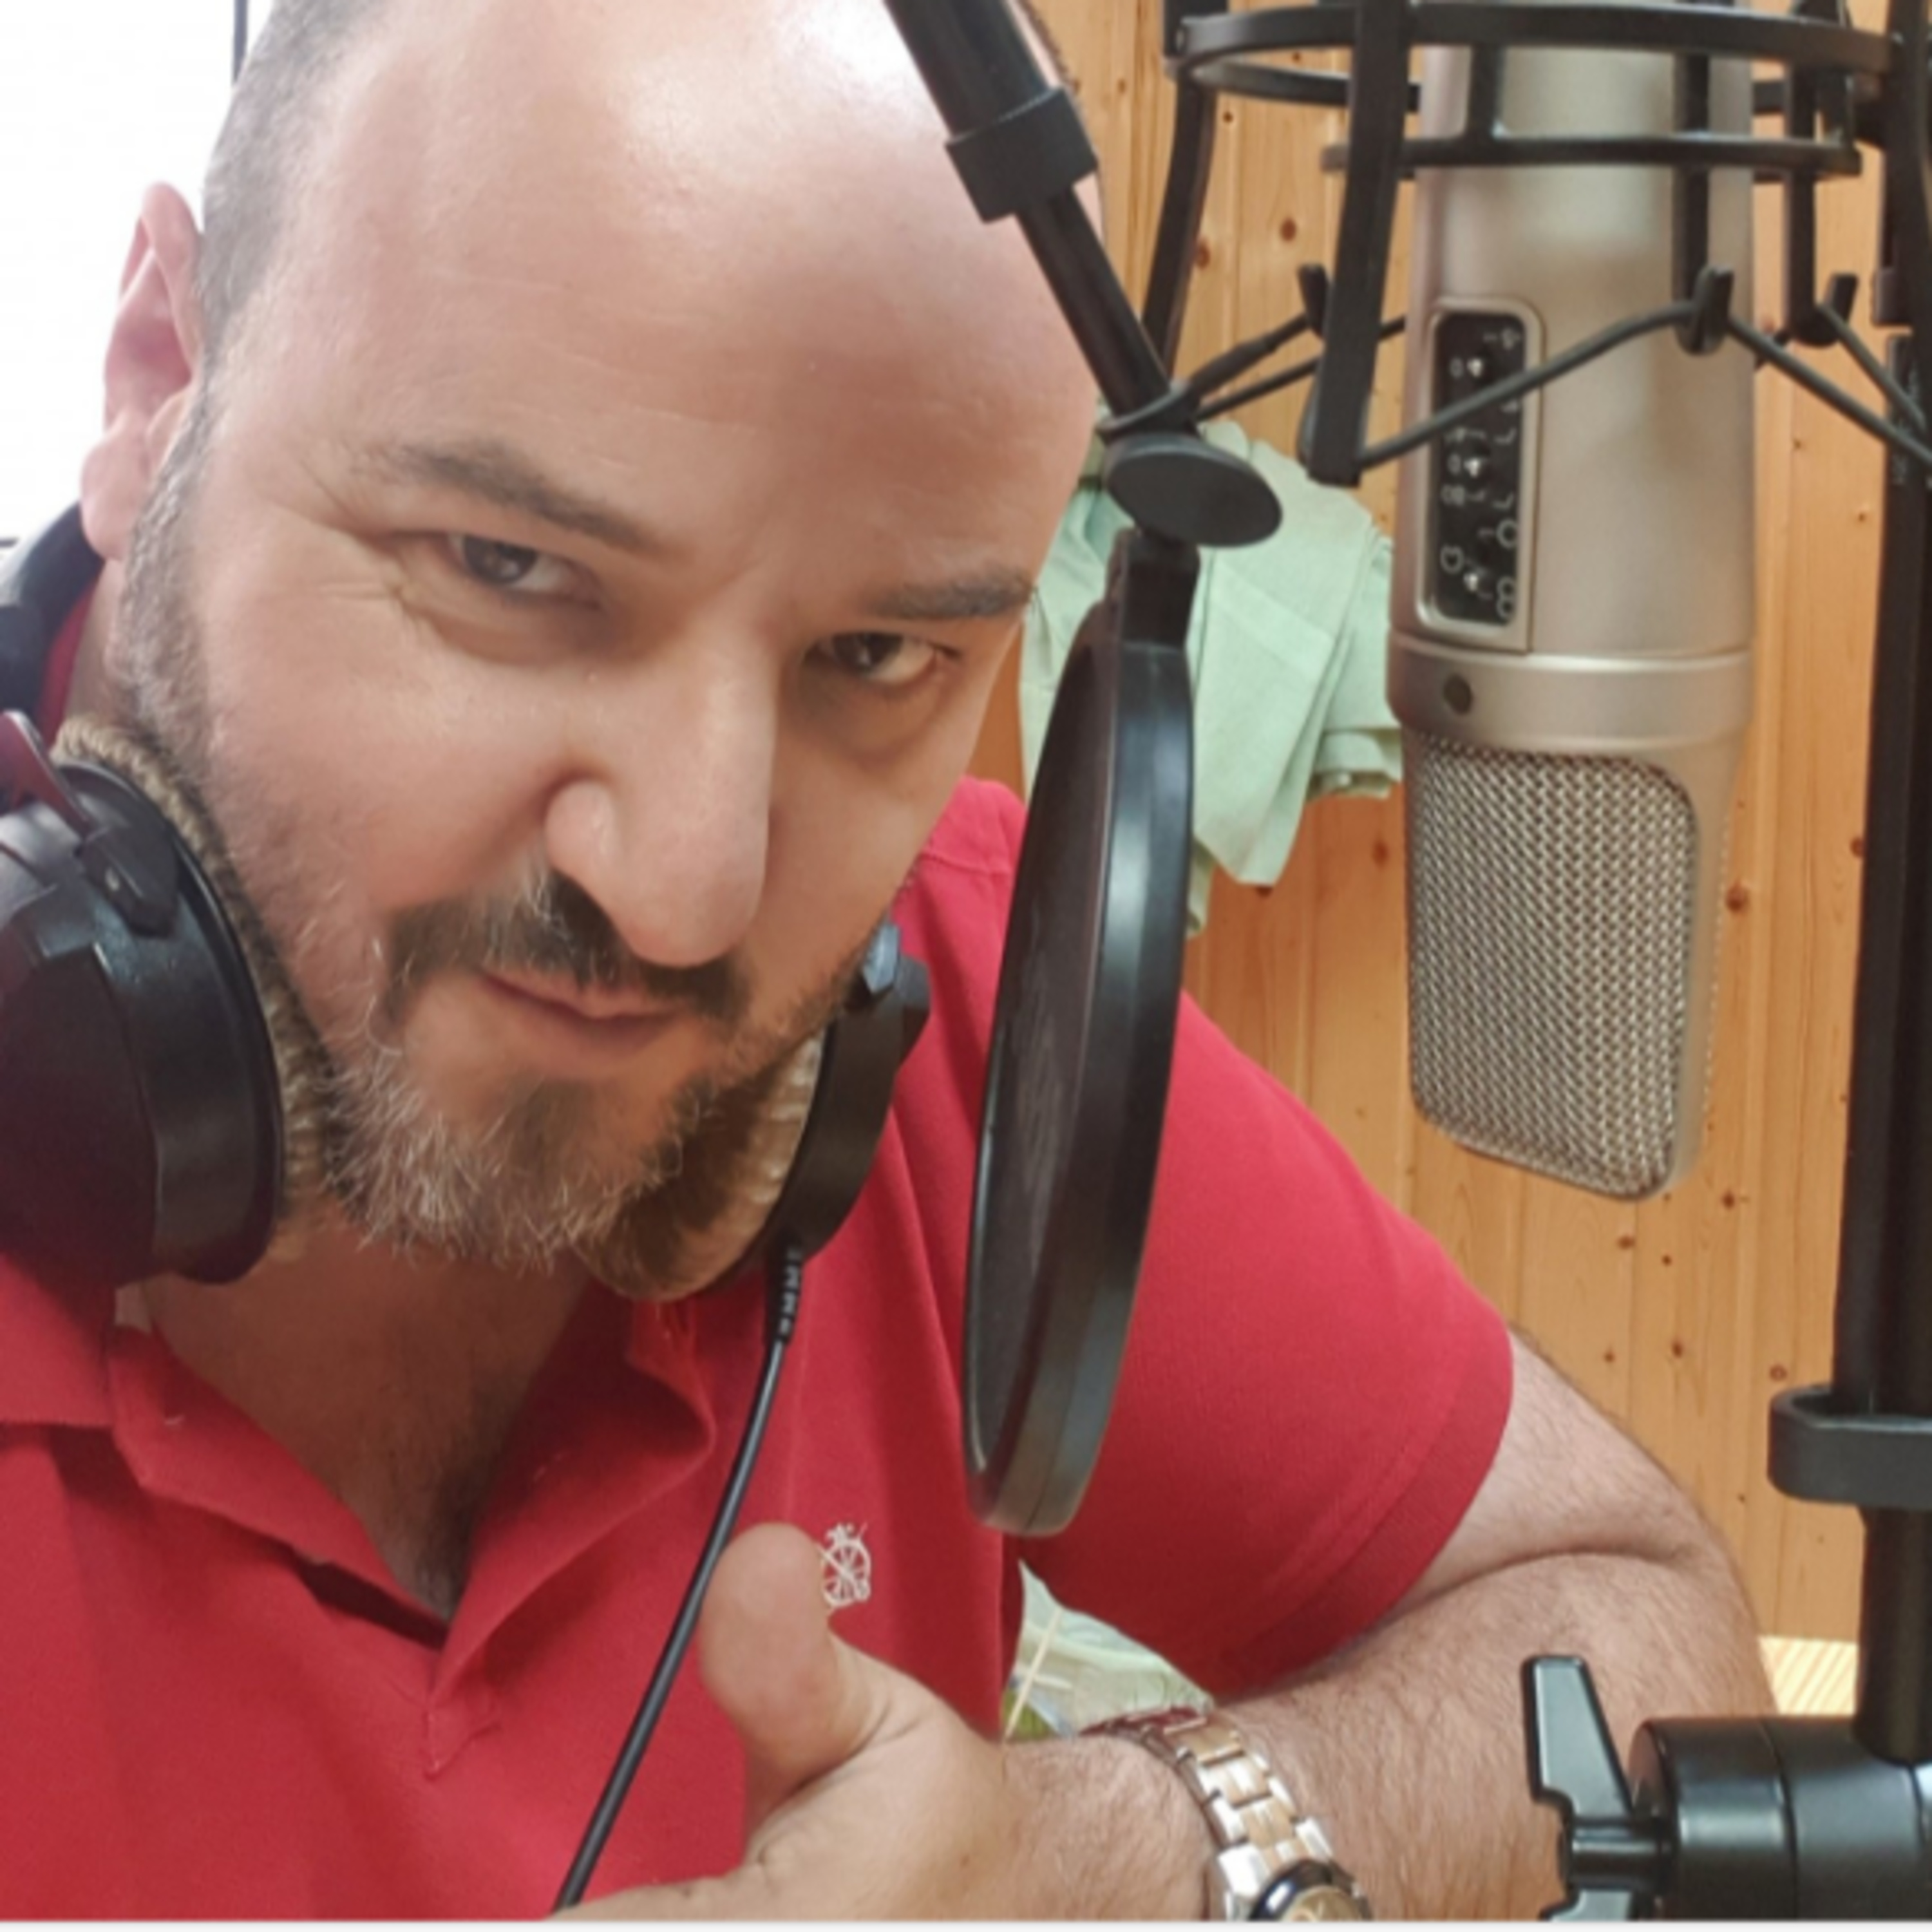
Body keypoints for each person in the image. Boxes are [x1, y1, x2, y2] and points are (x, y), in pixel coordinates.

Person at [0, 0, 1770, 1917]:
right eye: (510, 570)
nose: (687, 896)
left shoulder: (952, 999)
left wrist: (1095, 1868)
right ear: (157, 379)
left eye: (876, 659)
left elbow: (1643, 1640)